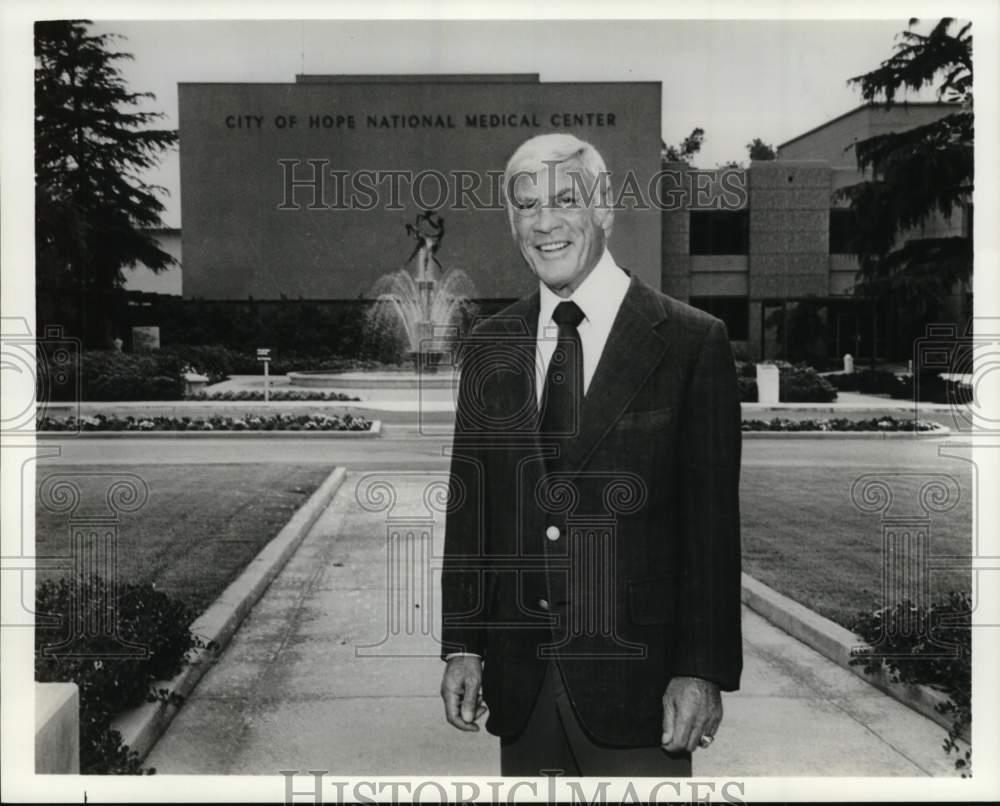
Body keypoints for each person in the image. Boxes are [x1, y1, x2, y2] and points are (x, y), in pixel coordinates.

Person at [439, 133, 742, 776]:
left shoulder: (690, 343)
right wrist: (462, 645)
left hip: (642, 690)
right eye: (525, 206)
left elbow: (711, 531)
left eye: (565, 200)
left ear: (604, 208)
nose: (544, 223)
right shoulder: (491, 346)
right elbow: (472, 513)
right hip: (521, 687)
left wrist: (701, 669)